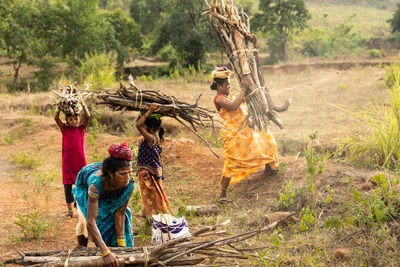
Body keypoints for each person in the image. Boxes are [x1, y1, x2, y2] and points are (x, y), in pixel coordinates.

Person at [211, 67, 279, 203]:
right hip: (235, 135)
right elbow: (234, 106)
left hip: (247, 130)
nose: (229, 87)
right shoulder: (219, 99)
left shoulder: (230, 95)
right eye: (226, 85)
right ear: (219, 86)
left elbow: (243, 100)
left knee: (268, 141)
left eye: (230, 84)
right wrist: (243, 87)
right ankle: (223, 195)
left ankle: (269, 169)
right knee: (231, 164)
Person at [73, 142, 135, 266]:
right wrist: (105, 252)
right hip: (85, 188)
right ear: (111, 174)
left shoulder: (129, 184)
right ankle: (81, 251)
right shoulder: (96, 184)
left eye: (130, 172)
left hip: (109, 192)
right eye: (123, 174)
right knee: (86, 220)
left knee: (125, 216)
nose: (127, 177)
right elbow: (92, 220)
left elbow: (120, 213)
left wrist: (121, 245)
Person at [54, 99, 90, 218]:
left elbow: (88, 116)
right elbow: (56, 118)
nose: (74, 121)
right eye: (70, 119)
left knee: (82, 183)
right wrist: (59, 108)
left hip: (80, 159)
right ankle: (70, 210)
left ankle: (81, 207)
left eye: (76, 118)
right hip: (68, 160)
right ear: (67, 121)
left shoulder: (81, 128)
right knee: (67, 184)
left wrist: (83, 105)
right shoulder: (65, 128)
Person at [135, 103, 171, 217]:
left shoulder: (151, 138)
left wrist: (150, 111)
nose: (142, 126)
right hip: (151, 173)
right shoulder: (152, 138)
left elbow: (138, 125)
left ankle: (157, 219)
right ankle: (151, 218)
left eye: (145, 125)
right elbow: (139, 122)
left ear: (150, 128)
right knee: (151, 198)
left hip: (150, 174)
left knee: (153, 199)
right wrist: (143, 111)